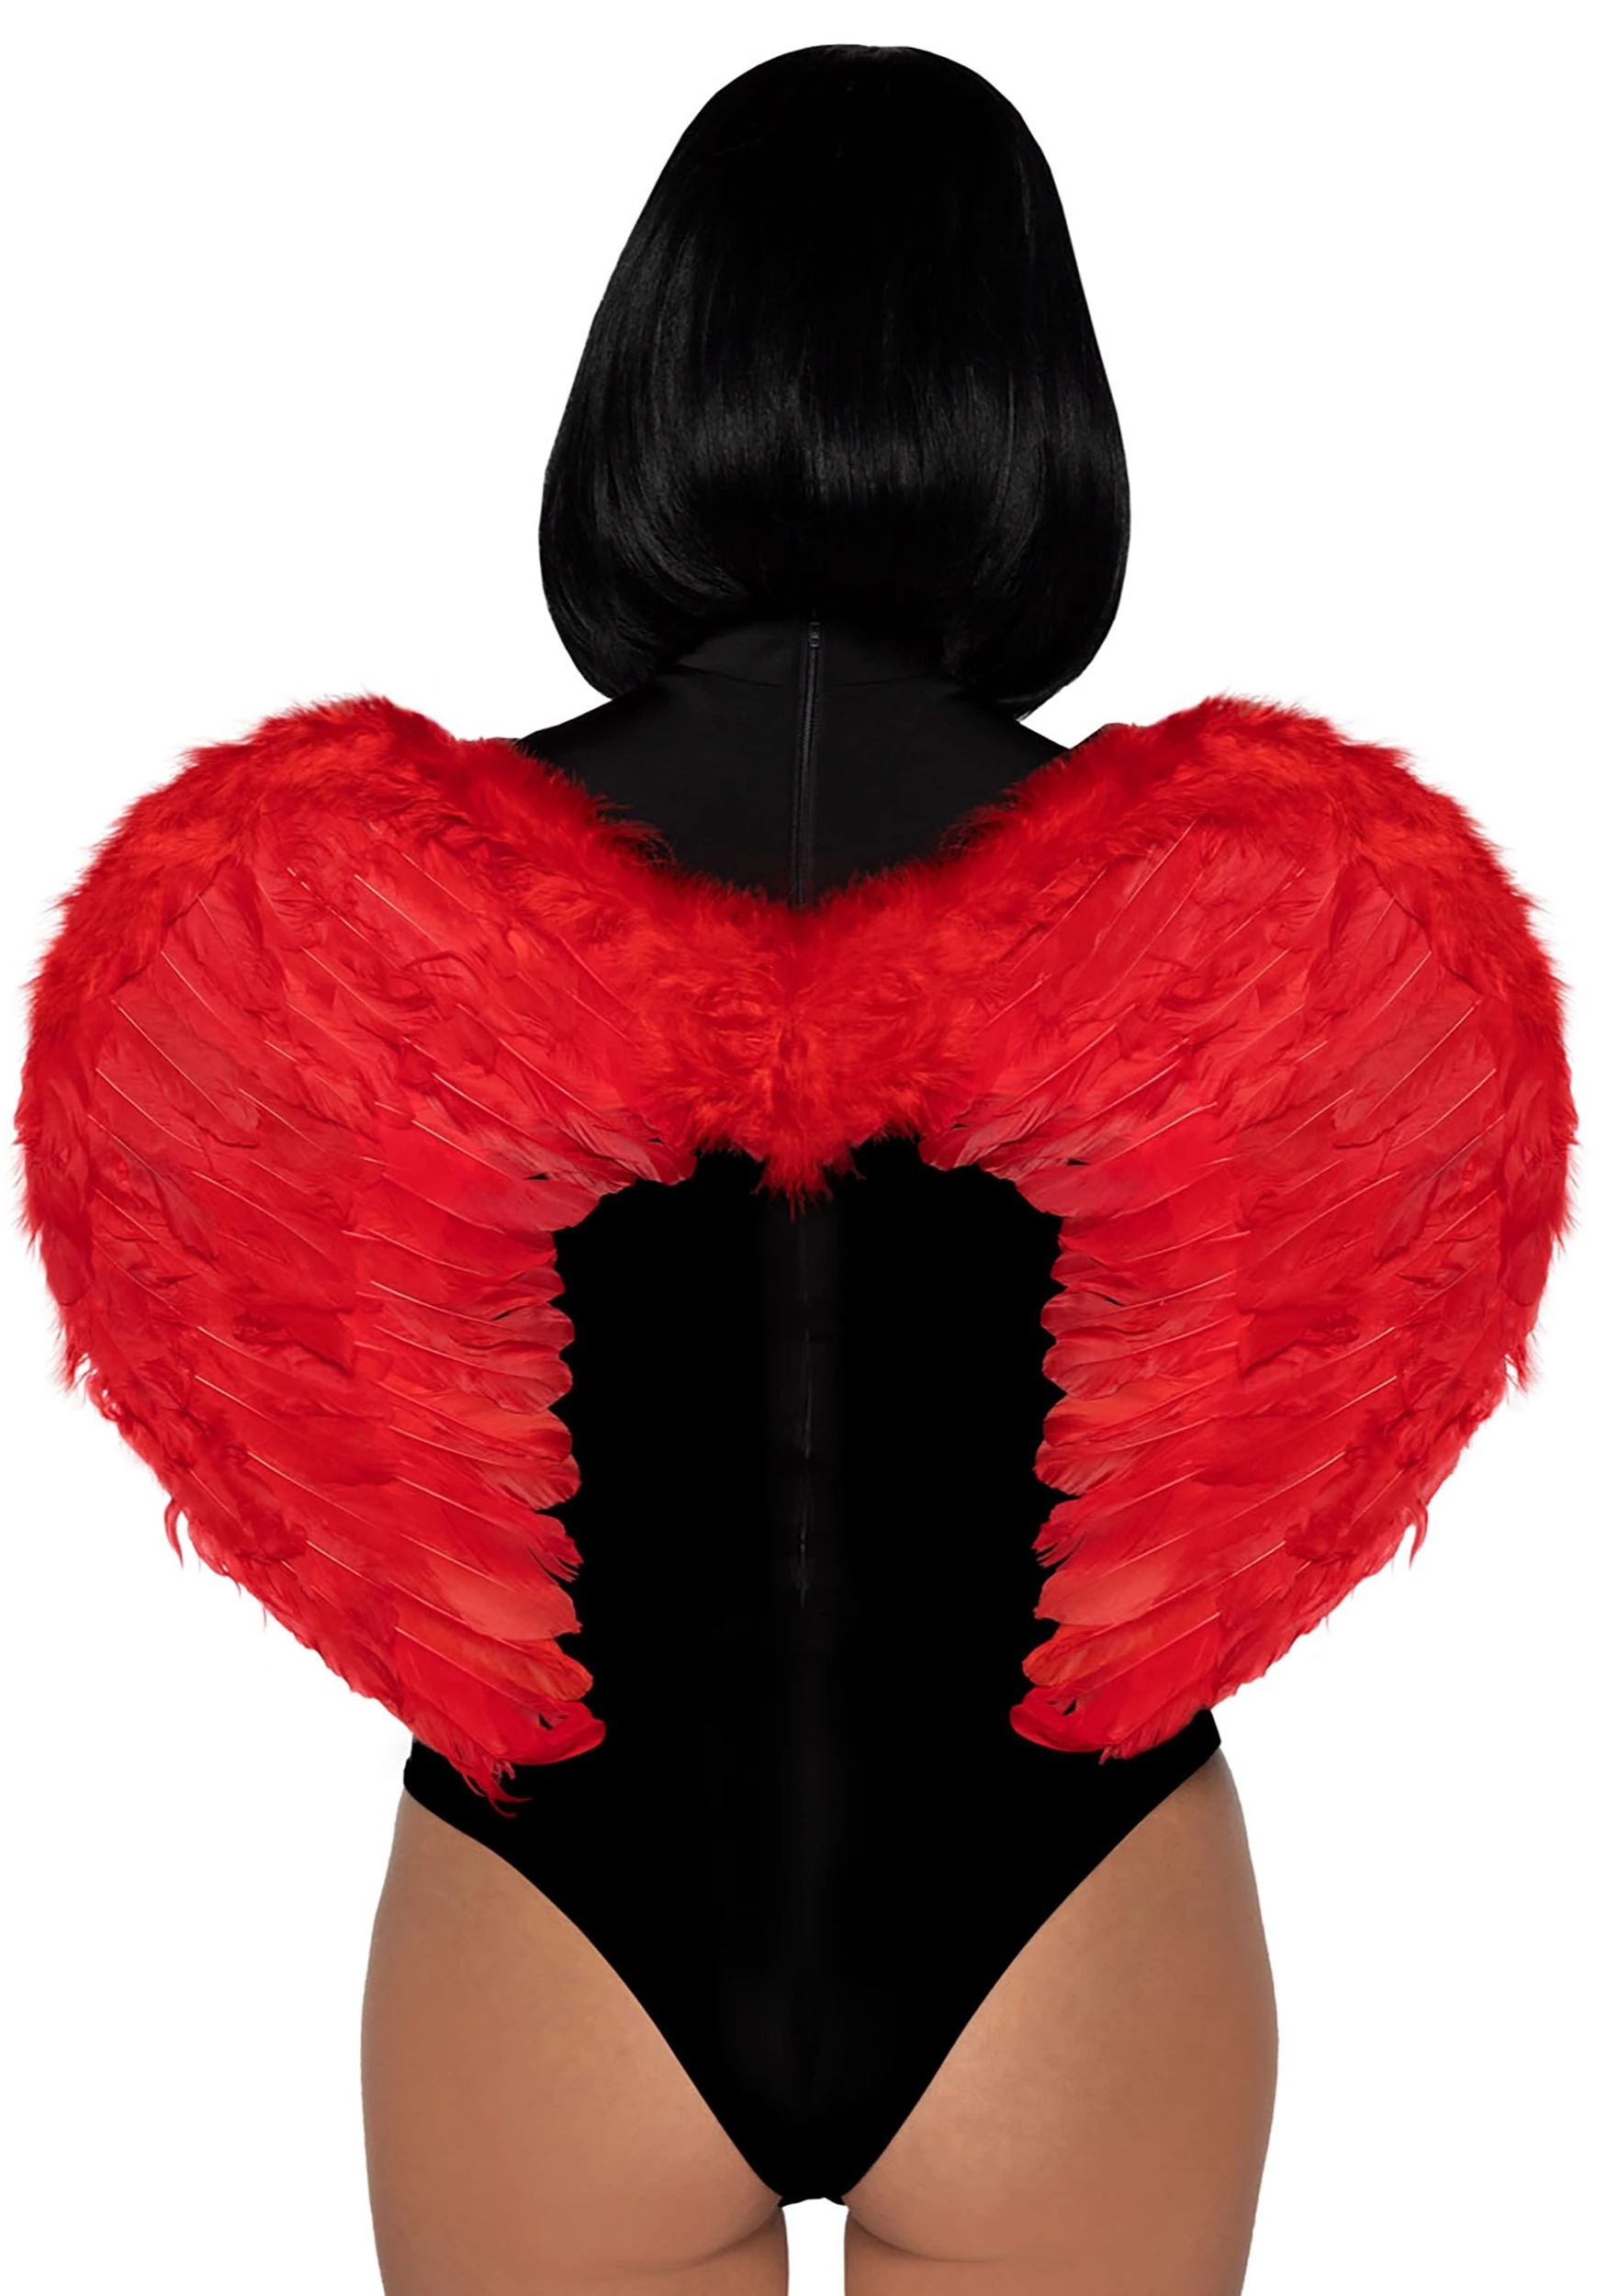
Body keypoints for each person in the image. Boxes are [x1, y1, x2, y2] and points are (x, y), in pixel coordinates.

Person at [14, 41, 1574, 2296]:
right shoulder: (1256, 910)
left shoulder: (362, 904)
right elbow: (1367, 1296)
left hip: (556, 1902)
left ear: (651, 386)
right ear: (1026, 407)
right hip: (1069, 1898)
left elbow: (221, 1276)